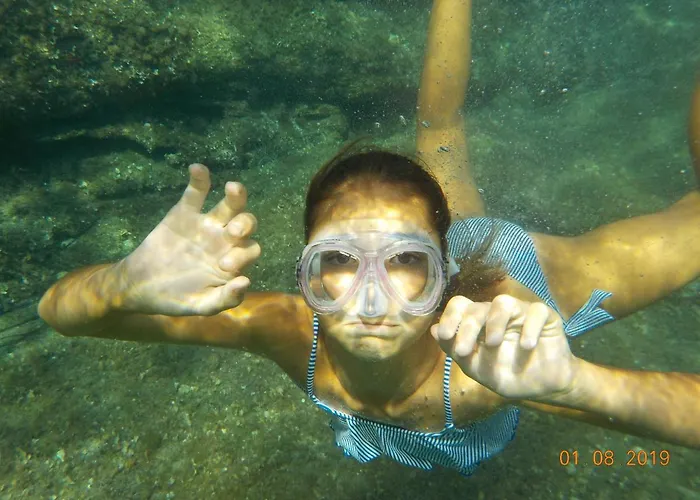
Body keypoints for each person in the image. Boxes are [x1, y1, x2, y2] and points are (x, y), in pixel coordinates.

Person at [38, 0, 700, 476]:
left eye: (407, 262)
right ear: (305, 275)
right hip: (450, 246)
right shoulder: (286, 330)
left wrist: (576, 383)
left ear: (444, 274)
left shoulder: (489, 371)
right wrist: (121, 283)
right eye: (339, 261)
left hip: (510, 263)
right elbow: (58, 312)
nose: (374, 300)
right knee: (438, 131)